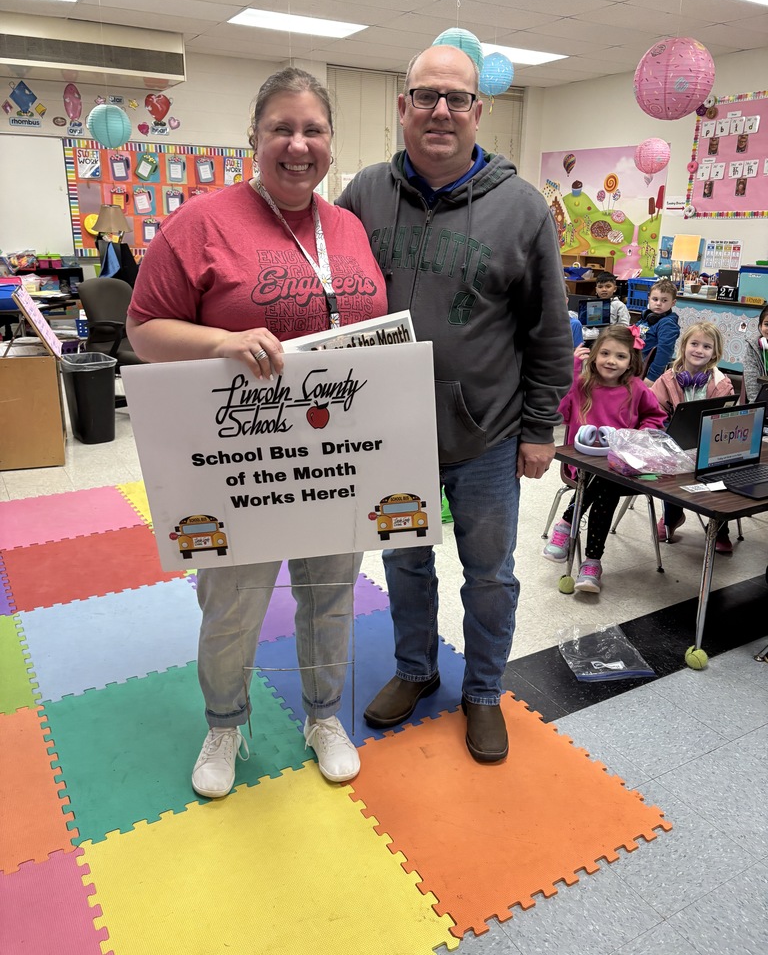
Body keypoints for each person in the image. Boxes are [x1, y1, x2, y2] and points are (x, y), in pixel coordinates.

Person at [126, 68, 388, 797]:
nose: (298, 144)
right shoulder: (203, 222)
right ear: (255, 138)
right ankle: (225, 722)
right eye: (282, 128)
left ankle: (323, 715)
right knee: (233, 600)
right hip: (241, 459)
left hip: (335, 453)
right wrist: (219, 342)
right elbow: (143, 329)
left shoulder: (349, 229)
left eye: (313, 130)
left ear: (331, 142)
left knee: (332, 593)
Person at [336, 44, 573, 764]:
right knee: (406, 563)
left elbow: (549, 330)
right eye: (425, 96)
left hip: (489, 435)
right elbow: (328, 301)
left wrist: (540, 428)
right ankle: (415, 670)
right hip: (389, 435)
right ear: (402, 106)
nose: (441, 111)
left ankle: (482, 691)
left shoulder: (522, 206)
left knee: (491, 573)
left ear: (479, 109)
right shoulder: (362, 197)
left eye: (457, 98)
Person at [542, 325, 666, 593]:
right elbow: (558, 413)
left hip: (623, 467)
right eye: (605, 354)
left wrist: (639, 436)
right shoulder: (582, 384)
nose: (611, 361)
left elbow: (655, 418)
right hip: (583, 467)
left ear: (631, 361)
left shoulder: (637, 389)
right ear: (594, 355)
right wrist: (573, 370)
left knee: (607, 482)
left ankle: (567, 524)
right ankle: (592, 563)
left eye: (620, 356)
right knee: (602, 483)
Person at [653, 322, 735, 551]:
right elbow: (653, 413)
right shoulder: (667, 380)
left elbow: (727, 417)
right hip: (675, 446)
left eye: (707, 346)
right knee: (668, 465)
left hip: (711, 444)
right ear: (684, 346)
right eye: (695, 344)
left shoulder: (721, 383)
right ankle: (672, 515)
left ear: (715, 353)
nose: (699, 350)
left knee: (724, 468)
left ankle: (719, 527)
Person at [636, 279, 680, 384]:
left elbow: (664, 352)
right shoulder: (647, 317)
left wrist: (652, 377)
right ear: (649, 299)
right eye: (655, 299)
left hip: (646, 373)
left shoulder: (667, 324)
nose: (658, 303)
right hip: (634, 366)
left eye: (664, 300)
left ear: (673, 303)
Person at [582, 272, 630, 342]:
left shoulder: (619, 305)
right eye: (600, 287)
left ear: (615, 289)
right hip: (594, 339)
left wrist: (611, 331)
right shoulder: (592, 305)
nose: (604, 289)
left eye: (608, 286)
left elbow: (624, 327)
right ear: (596, 289)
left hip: (613, 340)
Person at [743, 304, 768, 403]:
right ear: (760, 326)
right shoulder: (753, 347)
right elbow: (751, 383)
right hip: (761, 403)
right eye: (767, 324)